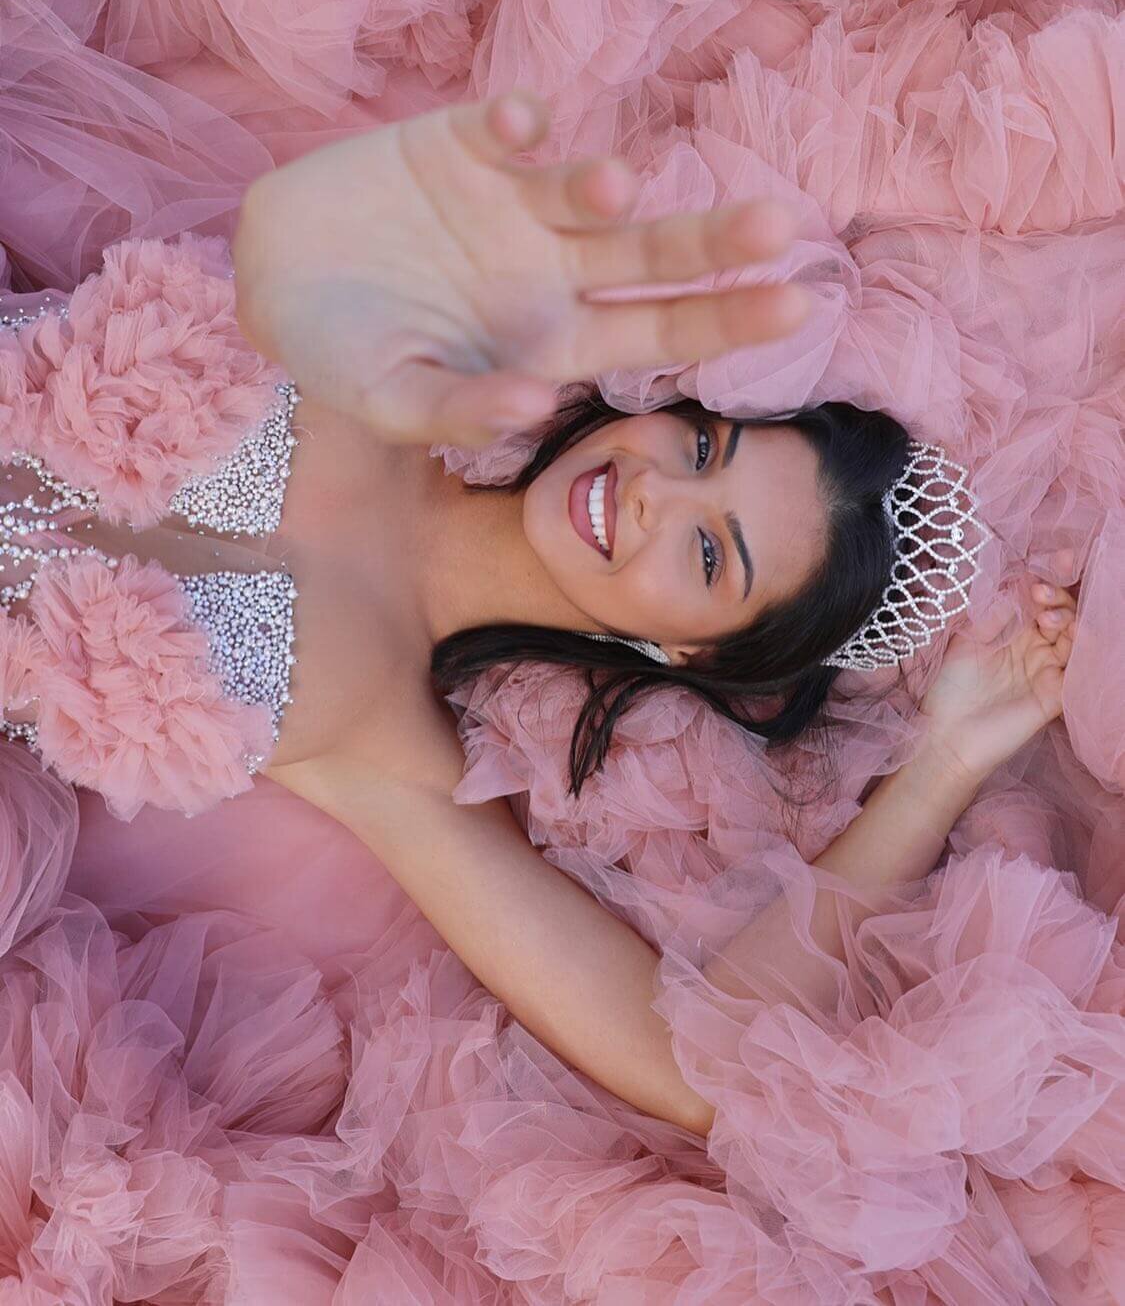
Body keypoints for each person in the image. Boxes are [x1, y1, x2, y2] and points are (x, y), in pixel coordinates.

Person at [0, 91, 1078, 1133]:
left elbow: (687, 1065)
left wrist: (946, 760)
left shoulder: (387, 746)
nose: (660, 492)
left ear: (686, 647)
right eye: (703, 449)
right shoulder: (397, 343)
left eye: (710, 552)